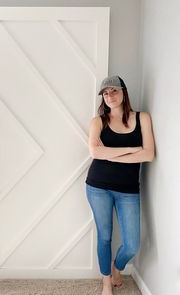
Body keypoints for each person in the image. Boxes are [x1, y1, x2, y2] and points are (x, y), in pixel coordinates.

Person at [85, 75, 155, 295]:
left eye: (114, 91)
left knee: (132, 244)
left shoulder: (142, 117)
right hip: (98, 187)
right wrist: (134, 150)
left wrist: (111, 155)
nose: (110, 96)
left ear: (124, 92)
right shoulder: (98, 121)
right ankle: (106, 282)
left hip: (128, 191)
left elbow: (150, 154)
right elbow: (95, 152)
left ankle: (118, 266)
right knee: (104, 236)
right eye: (105, 94)